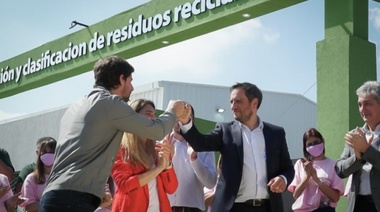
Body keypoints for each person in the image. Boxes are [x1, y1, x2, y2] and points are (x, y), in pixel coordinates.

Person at [39, 56, 189, 212]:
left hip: (56, 197)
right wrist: (172, 110)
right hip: (72, 200)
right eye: (130, 81)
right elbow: (157, 131)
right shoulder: (110, 103)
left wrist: (96, 192)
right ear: (121, 79)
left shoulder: (76, 107)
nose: (132, 88)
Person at [179, 82, 295, 212]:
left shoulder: (276, 133)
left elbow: (288, 168)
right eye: (231, 102)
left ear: (254, 103)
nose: (233, 106)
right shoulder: (225, 131)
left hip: (268, 207)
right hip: (233, 208)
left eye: (238, 101)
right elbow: (200, 143)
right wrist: (186, 122)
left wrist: (283, 178)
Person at [111, 99, 178, 212]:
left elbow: (172, 189)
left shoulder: (158, 149)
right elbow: (125, 185)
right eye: (148, 113)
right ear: (134, 117)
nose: (153, 118)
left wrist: (168, 164)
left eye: (154, 114)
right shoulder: (120, 149)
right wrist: (159, 168)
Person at [335, 80, 380, 212]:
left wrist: (366, 149)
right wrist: (358, 157)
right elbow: (340, 169)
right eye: (360, 105)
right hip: (357, 205)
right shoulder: (355, 135)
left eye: (367, 104)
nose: (362, 109)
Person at [169, 106, 217, 212]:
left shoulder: (204, 147)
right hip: (164, 208)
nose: (181, 121)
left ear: (192, 120)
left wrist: (194, 159)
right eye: (178, 116)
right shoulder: (160, 145)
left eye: (185, 117)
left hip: (193, 209)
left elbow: (210, 183)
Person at [288, 128, 344, 212]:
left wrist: (317, 180)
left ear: (322, 142)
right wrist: (307, 177)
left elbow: (335, 198)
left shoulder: (333, 165)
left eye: (316, 142)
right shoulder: (301, 164)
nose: (313, 146)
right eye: (309, 144)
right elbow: (296, 194)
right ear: (305, 147)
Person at [20, 137, 57, 212]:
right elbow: (29, 207)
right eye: (45, 151)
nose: (48, 154)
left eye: (51, 151)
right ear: (38, 153)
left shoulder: (63, 176)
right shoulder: (31, 179)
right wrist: (52, 201)